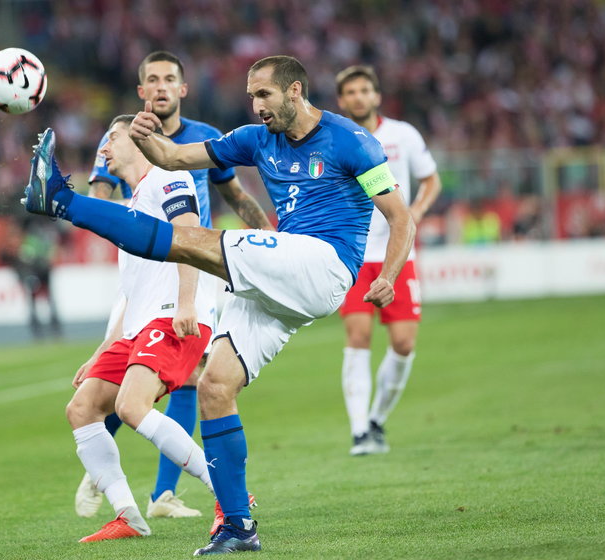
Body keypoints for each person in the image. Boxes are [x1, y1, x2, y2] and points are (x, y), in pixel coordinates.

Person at [22, 55, 415, 555]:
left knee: (192, 239)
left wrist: (388, 275)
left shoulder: (351, 141)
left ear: (295, 91)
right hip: (284, 281)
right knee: (214, 386)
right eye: (251, 95)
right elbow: (174, 157)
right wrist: (144, 136)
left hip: (326, 263)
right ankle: (237, 525)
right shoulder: (254, 139)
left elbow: (400, 217)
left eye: (264, 95)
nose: (255, 105)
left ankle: (60, 201)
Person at [76, 50, 273, 520]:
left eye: (170, 79)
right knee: (113, 395)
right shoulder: (122, 142)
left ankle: (169, 493)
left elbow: (234, 194)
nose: (161, 87)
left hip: (186, 275)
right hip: (143, 267)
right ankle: (108, 462)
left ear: (182, 89)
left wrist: (269, 238)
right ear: (142, 92)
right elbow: (97, 206)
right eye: (152, 80)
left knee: (165, 387)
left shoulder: (199, 144)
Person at [65, 114, 220, 542]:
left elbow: (189, 236)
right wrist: (103, 348)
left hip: (173, 316)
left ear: (139, 139)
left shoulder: (168, 179)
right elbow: (130, 292)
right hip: (139, 324)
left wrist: (186, 302)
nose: (104, 149)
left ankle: (227, 494)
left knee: (132, 407)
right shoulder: (129, 207)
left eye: (111, 138)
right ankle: (128, 515)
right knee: (82, 408)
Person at [334, 65, 442, 456]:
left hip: (399, 253)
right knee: (358, 337)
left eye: (366, 90)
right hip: (356, 254)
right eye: (351, 92)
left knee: (403, 343)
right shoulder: (337, 138)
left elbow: (432, 179)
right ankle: (360, 430)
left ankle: (377, 419)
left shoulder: (403, 134)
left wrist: (415, 212)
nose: (359, 97)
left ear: (377, 96)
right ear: (342, 100)